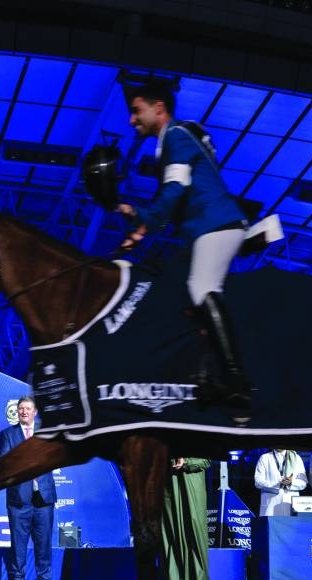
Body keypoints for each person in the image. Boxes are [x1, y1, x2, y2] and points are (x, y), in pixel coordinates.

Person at [117, 82, 251, 410]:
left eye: (136, 111)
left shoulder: (175, 136)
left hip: (215, 224)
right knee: (190, 300)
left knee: (202, 287)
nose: (132, 120)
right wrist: (140, 221)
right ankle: (207, 378)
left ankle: (235, 379)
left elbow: (175, 190)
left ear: (159, 108)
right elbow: (173, 205)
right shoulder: (176, 139)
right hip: (208, 227)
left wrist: (145, 223)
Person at [0, 396, 62, 580]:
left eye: (27, 408)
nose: (24, 412)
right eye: (21, 409)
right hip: (19, 498)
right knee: (18, 543)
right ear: (17, 412)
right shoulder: (8, 434)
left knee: (44, 542)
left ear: (35, 412)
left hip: (44, 497)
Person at [162, 457, 212, 580]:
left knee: (194, 529)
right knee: (170, 530)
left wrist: (187, 462)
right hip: (168, 482)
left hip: (192, 483)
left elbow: (206, 460)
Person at [254, 449, 307, 517]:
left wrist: (291, 482)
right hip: (271, 504)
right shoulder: (265, 457)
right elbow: (258, 482)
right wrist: (277, 483)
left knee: (290, 523)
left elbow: (303, 483)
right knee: (269, 523)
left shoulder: (296, 458)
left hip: (290, 503)